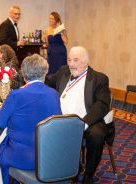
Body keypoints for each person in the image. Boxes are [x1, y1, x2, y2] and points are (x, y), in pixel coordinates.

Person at [46, 46, 114, 184]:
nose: (71, 64)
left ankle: (89, 174)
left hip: (87, 120)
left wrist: (83, 123)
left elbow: (102, 104)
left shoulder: (98, 79)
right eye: (69, 60)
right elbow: (47, 81)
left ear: (86, 61)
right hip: (62, 119)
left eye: (75, 60)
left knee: (97, 136)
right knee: (44, 126)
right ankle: (71, 168)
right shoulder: (63, 71)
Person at [0, 54, 62, 184]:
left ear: (24, 74)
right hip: (49, 156)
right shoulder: (54, 94)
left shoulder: (15, 95)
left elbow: (0, 122)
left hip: (22, 157)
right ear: (45, 72)